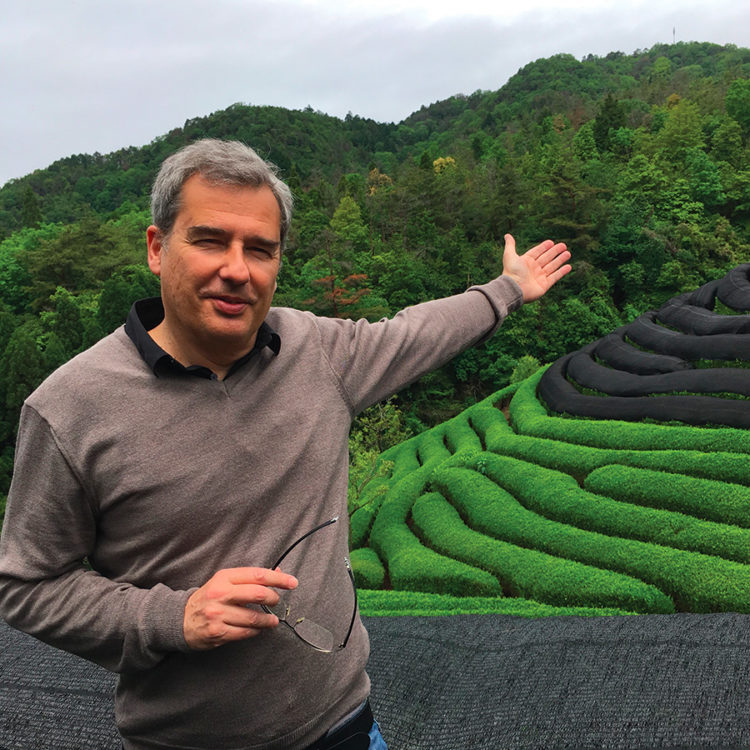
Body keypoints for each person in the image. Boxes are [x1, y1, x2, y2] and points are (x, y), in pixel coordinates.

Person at [0, 139, 571, 750]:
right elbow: (27, 584)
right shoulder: (70, 408)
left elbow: (414, 333)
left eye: (261, 250)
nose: (238, 269)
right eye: (210, 240)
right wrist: (172, 618)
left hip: (345, 723)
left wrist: (506, 290)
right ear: (157, 247)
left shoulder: (316, 352)